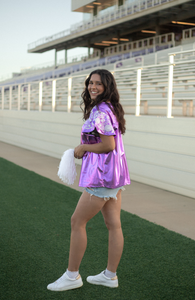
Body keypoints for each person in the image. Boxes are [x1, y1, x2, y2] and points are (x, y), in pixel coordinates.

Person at [47, 69, 130, 291]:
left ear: (107, 86)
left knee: (77, 221)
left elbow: (108, 145)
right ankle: (110, 276)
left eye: (98, 84)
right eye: (90, 83)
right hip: (114, 174)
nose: (92, 87)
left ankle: (72, 276)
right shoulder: (110, 107)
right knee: (113, 225)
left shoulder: (101, 111)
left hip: (101, 176)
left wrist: (83, 147)